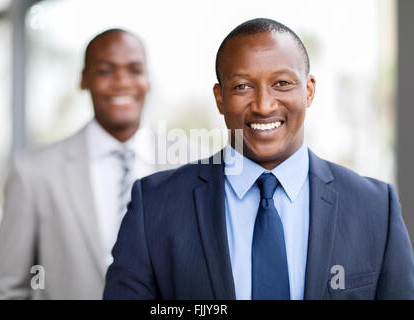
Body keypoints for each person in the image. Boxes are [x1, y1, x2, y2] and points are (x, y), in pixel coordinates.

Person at [103, 18, 414, 300]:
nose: (264, 106)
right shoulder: (155, 205)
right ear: (220, 98)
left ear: (308, 90)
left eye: (282, 83)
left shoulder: (375, 207)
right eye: (242, 86)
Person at [0, 28, 157, 299]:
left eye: (134, 70)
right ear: (83, 80)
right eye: (105, 71)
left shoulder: (194, 164)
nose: (122, 82)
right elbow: (8, 288)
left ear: (148, 79)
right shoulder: (33, 172)